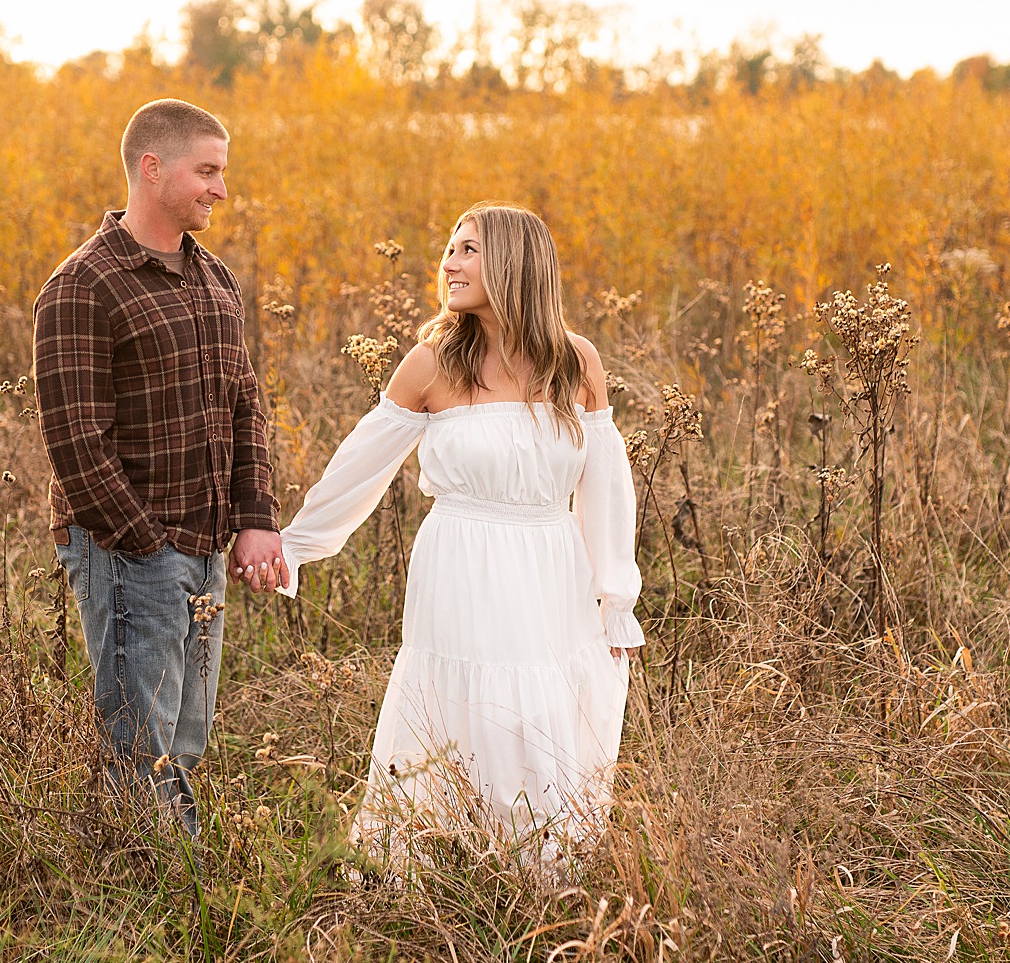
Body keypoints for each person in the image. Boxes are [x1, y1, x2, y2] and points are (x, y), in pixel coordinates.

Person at [266, 202, 644, 860]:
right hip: (462, 561)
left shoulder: (575, 361)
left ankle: (538, 866)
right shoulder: (432, 363)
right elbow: (360, 467)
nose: (449, 263)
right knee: (462, 701)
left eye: (469, 249)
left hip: (551, 566)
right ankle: (433, 859)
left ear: (514, 263)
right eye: (450, 248)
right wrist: (295, 545)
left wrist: (615, 601)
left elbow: (607, 489)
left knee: (539, 707)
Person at [33, 98, 288, 833]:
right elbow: (76, 440)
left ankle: (176, 874)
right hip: (128, 546)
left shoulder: (215, 280)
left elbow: (244, 405)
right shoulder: (84, 285)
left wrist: (254, 520)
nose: (221, 189)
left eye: (222, 172)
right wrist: (147, 545)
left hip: (205, 545)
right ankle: (144, 883)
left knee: (185, 737)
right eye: (207, 171)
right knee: (140, 747)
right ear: (152, 168)